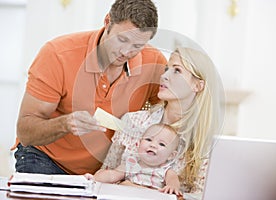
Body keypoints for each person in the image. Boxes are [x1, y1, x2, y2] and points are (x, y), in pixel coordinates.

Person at [12, 0, 167, 175]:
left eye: (137, 46)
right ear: (107, 22)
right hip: (46, 159)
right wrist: (65, 123)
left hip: (105, 171)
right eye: (122, 39)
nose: (126, 52)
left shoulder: (154, 63)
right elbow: (25, 133)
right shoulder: (57, 54)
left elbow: (166, 116)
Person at [99, 47, 224, 198]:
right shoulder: (133, 121)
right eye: (166, 69)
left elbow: (201, 196)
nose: (164, 76)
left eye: (177, 71)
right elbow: (103, 176)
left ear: (197, 86)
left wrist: (141, 191)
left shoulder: (205, 143)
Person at [86, 123, 182, 195]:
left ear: (171, 155)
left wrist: (172, 187)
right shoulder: (130, 164)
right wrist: (95, 178)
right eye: (148, 139)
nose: (153, 145)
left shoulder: (166, 171)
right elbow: (113, 175)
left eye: (162, 144)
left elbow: (173, 182)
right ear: (138, 144)